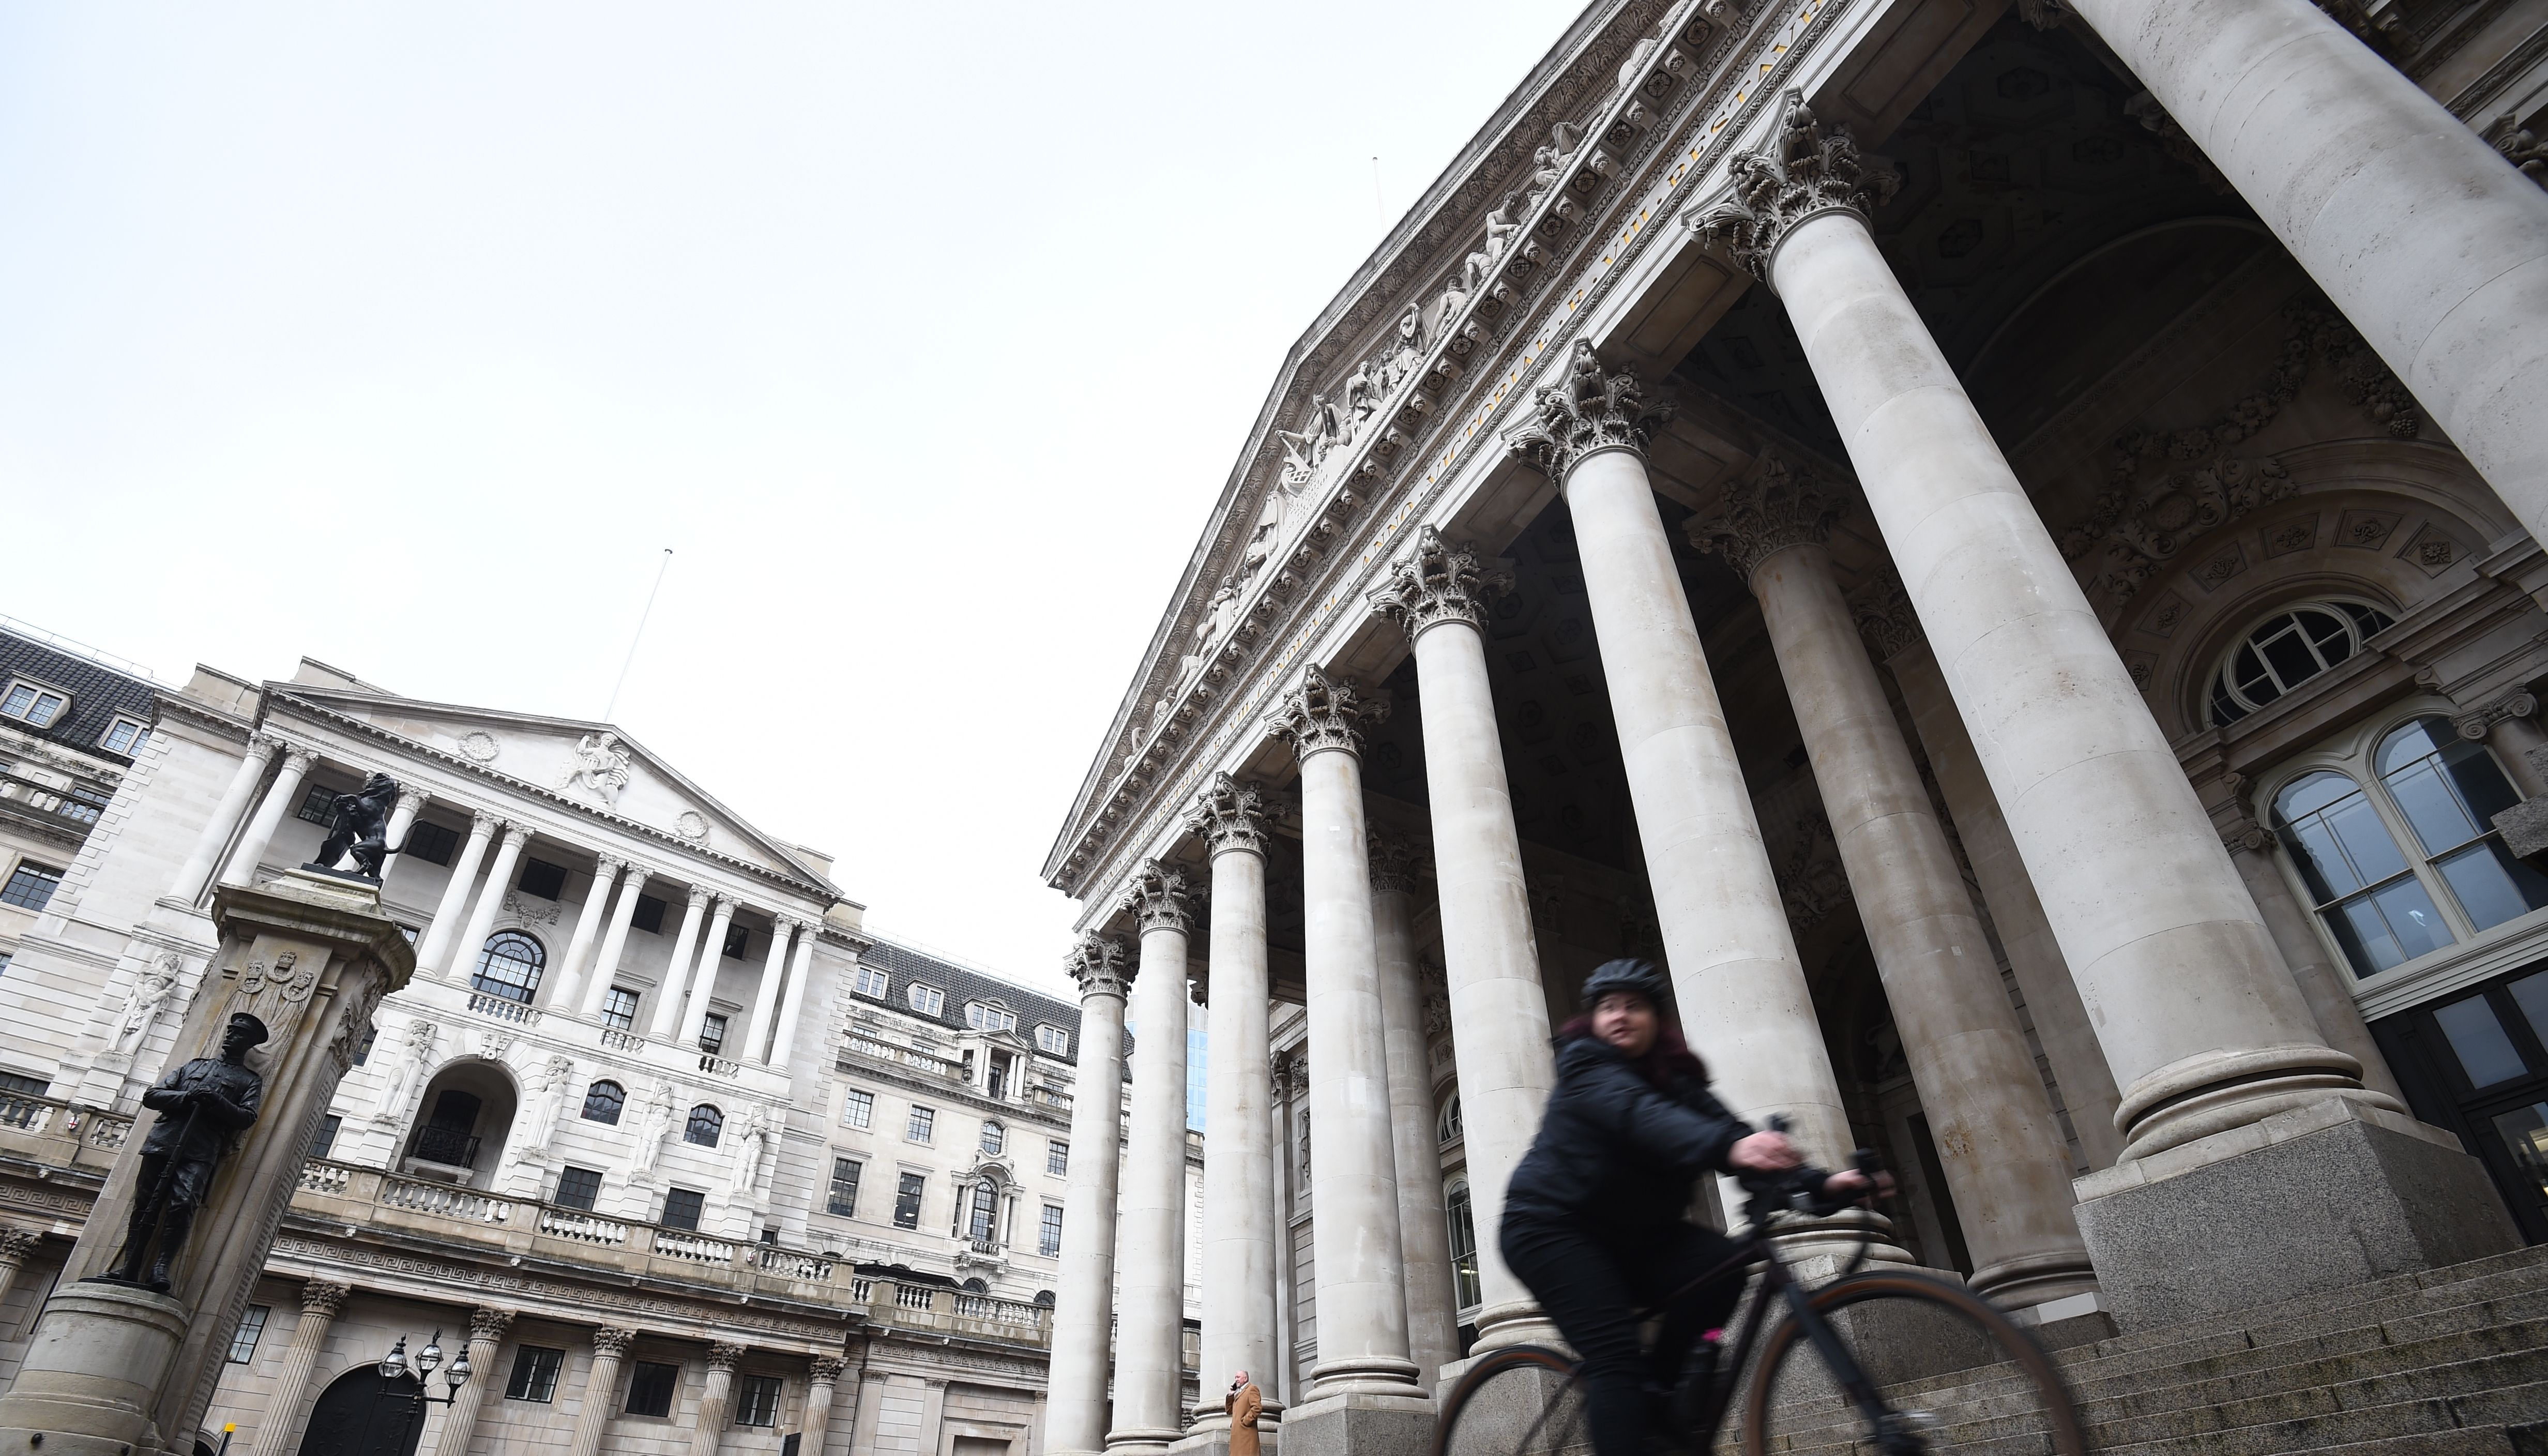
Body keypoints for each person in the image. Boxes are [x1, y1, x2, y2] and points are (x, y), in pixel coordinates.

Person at [1500, 960, 1880, 1456]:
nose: (1619, 1016)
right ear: (1592, 1020)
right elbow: (1640, 1115)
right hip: (1551, 1229)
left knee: (1721, 1266)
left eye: (1633, 1006)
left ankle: (1658, 1409)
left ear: (1657, 1019)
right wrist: (1729, 1149)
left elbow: (1740, 1139)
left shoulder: (1677, 1085)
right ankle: (1638, 1411)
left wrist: (1826, 1184)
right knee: (1616, 1358)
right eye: (1608, 1007)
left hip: (1634, 1237)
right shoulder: (1586, 1067)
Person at [1224, 1369, 1263, 1456]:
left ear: (1245, 1379)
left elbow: (1257, 1408)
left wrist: (1245, 1422)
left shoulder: (1252, 1389)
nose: (1236, 1380)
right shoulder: (1238, 1394)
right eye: (1235, 1378)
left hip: (1246, 1435)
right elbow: (1229, 1411)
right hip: (1238, 1437)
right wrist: (1231, 1395)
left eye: (1238, 1377)